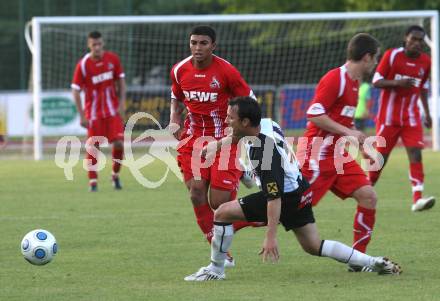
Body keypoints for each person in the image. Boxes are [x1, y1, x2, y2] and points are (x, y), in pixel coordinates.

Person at [184, 97, 401, 281]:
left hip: (285, 196)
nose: (226, 120)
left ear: (245, 121)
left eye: (230, 118)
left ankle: (216, 269)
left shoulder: (263, 154)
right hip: (301, 190)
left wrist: (271, 236)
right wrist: (217, 144)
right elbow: (238, 135)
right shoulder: (266, 124)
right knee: (313, 245)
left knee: (222, 213)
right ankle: (373, 262)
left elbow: (274, 196)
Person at [168, 25, 258, 267]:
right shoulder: (179, 70)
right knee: (196, 193)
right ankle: (222, 255)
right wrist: (174, 120)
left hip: (223, 141)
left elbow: (250, 101)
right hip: (192, 139)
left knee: (220, 205)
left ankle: (243, 178)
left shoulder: (226, 71)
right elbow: (176, 98)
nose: (197, 48)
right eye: (194, 42)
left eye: (203, 43)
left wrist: (240, 131)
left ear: (213, 46)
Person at [296, 33, 381, 272]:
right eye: (374, 59)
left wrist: (361, 144)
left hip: (338, 157)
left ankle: (359, 260)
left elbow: (341, 122)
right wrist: (349, 132)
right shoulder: (336, 78)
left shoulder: (355, 84)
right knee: (284, 208)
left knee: (369, 196)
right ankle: (228, 222)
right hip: (316, 156)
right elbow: (314, 113)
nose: (374, 64)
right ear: (366, 57)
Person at [369, 25, 435, 212]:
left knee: (415, 153)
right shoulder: (392, 55)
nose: (416, 43)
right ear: (406, 38)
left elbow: (423, 88)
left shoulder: (425, 61)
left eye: (420, 40)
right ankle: (366, 189)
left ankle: (417, 198)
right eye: (413, 39)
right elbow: (376, 81)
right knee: (381, 158)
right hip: (388, 118)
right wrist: (397, 82)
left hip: (411, 117)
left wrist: (427, 114)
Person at [71, 31, 126, 192]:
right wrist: (82, 115)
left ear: (103, 44)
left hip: (112, 112)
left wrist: (122, 104)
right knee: (93, 146)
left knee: (118, 143)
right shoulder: (83, 64)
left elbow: (121, 82)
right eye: (94, 45)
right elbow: (75, 91)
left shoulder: (112, 59)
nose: (97, 47)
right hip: (94, 114)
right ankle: (93, 182)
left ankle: (115, 175)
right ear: (89, 45)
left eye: (99, 44)